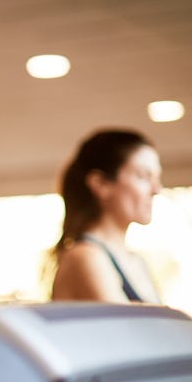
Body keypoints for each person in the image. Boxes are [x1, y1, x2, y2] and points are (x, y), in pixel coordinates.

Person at [51, 128, 163, 304]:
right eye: (143, 176)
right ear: (101, 184)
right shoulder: (86, 256)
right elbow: (131, 331)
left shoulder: (135, 260)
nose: (157, 190)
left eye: (157, 178)